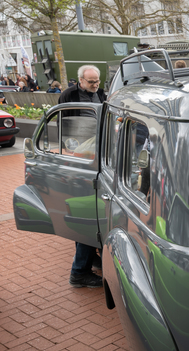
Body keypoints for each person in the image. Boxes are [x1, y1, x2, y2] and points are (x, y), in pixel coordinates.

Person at [59, 64, 105, 288]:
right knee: (88, 213)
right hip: (81, 157)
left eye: (97, 81)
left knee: (88, 213)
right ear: (80, 80)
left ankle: (88, 259)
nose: (96, 85)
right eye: (91, 82)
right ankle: (79, 271)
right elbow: (64, 127)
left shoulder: (100, 93)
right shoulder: (68, 95)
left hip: (97, 154)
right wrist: (73, 154)